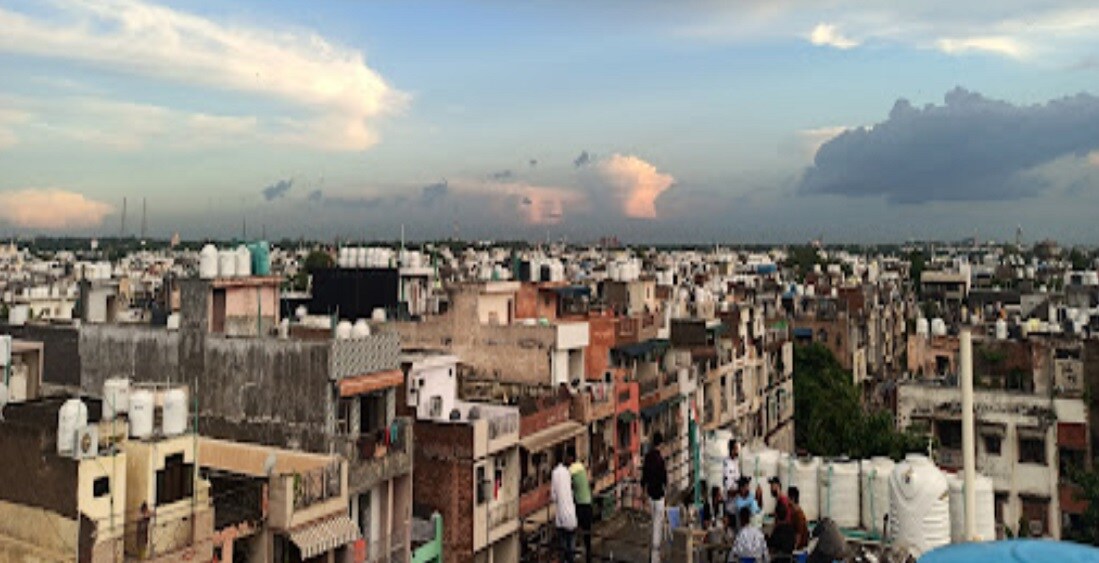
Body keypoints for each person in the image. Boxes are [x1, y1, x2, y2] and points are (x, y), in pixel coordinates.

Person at [641, 431, 668, 563]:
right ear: (661, 444)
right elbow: (665, 479)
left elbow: (644, 476)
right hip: (659, 496)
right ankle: (655, 557)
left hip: (650, 494)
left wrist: (643, 492)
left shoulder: (648, 457)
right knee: (658, 524)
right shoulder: (660, 460)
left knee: (653, 524)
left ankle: (653, 554)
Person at [568, 447, 594, 563]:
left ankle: (572, 555)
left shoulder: (571, 470)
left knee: (574, 529)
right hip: (588, 502)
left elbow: (568, 485)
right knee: (587, 533)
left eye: (567, 457)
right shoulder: (581, 466)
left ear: (570, 457)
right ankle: (589, 557)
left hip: (580, 504)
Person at [551, 451, 578, 563]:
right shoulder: (567, 472)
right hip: (571, 516)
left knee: (563, 546)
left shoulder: (555, 473)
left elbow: (553, 496)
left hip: (561, 518)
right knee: (571, 545)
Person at [787, 486, 810, 551]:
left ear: (792, 499)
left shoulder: (798, 515)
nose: (787, 500)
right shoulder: (794, 512)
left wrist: (794, 549)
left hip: (800, 548)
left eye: (788, 497)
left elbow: (798, 535)